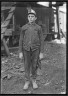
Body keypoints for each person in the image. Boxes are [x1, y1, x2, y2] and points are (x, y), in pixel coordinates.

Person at [19, 9, 44, 90]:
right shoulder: (24, 28)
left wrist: (41, 52)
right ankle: (27, 81)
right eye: (29, 16)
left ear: (35, 18)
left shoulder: (38, 28)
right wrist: (20, 52)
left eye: (32, 16)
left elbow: (41, 40)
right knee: (26, 66)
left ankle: (33, 80)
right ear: (27, 17)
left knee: (34, 65)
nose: (30, 18)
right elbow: (21, 40)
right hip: (26, 49)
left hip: (35, 49)